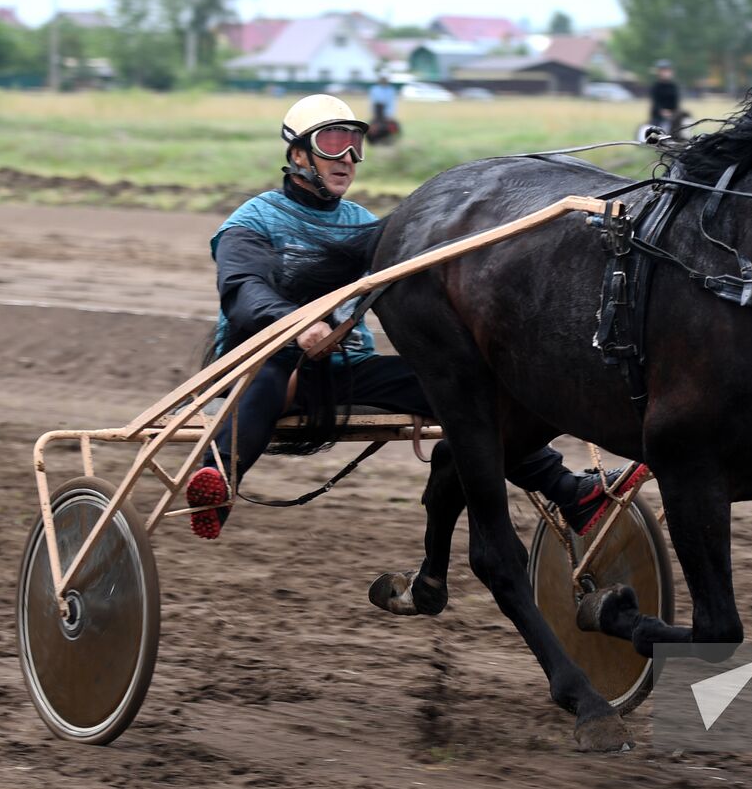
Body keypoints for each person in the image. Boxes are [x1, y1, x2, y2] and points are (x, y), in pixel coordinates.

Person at [186, 93, 647, 540]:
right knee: (269, 377)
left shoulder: (362, 221)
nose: (346, 157)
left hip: (348, 372)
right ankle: (216, 480)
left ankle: (568, 492)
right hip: (261, 367)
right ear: (298, 155)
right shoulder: (254, 220)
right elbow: (242, 292)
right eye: (331, 143)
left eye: (355, 144)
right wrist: (298, 326)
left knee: (466, 391)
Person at [648, 59, 680, 131]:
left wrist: (675, 112)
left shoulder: (673, 86)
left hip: (673, 116)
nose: (666, 73)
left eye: (667, 71)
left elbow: (676, 102)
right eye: (663, 71)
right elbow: (656, 103)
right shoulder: (656, 87)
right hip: (658, 117)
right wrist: (662, 112)